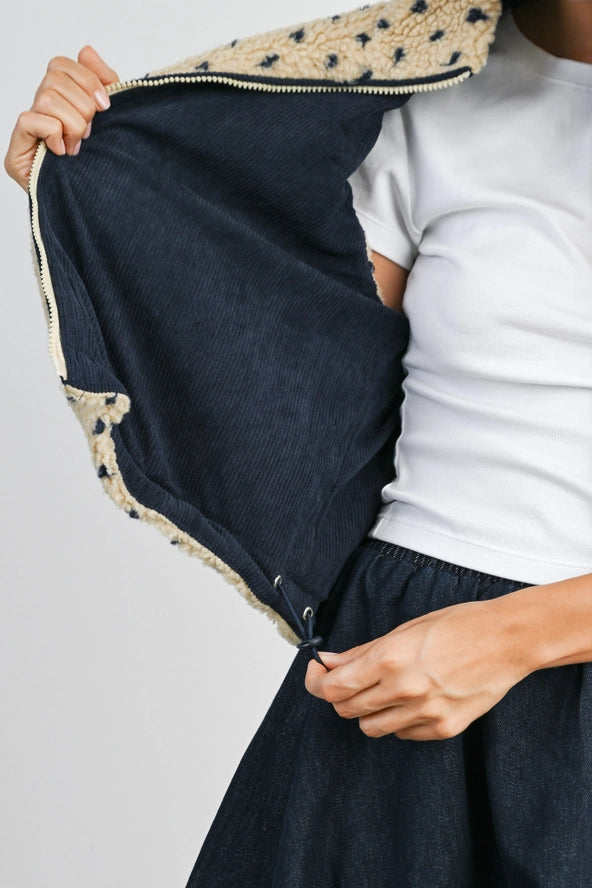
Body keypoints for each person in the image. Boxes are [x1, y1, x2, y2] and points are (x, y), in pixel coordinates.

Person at [6, 0, 592, 884]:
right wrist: (96, 182)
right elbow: (296, 379)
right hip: (400, 649)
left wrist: (512, 637)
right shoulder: (425, 90)